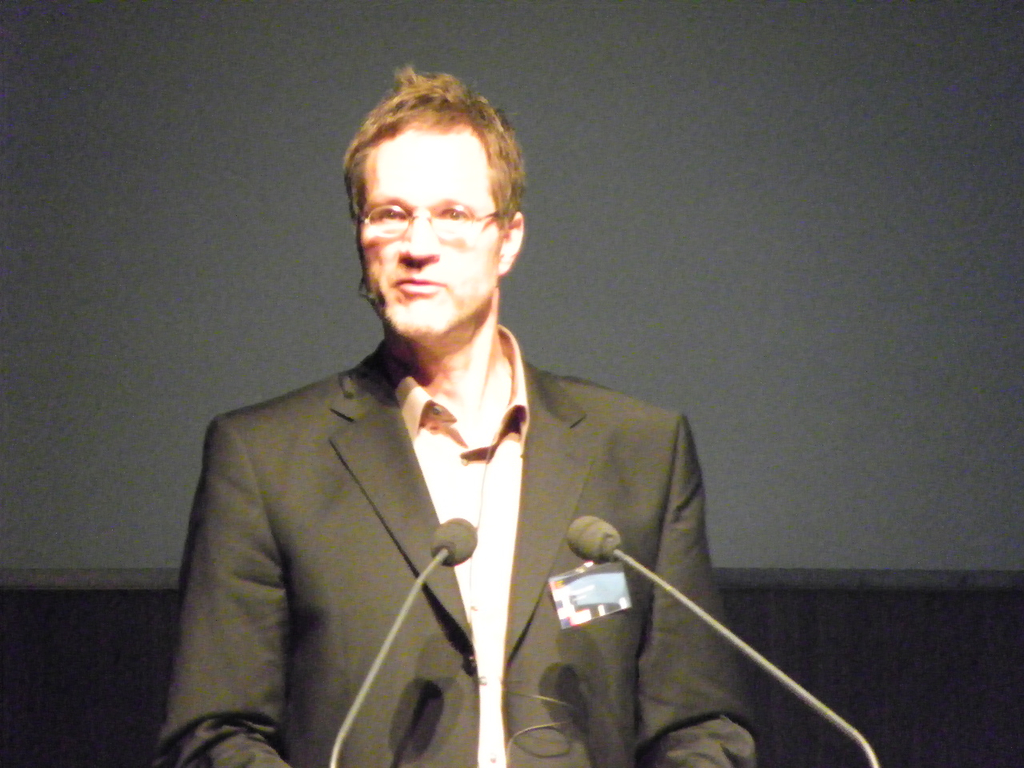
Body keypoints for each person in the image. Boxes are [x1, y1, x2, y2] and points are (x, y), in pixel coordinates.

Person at [155, 68, 756, 768]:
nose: (417, 245)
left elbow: (701, 727)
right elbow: (214, 735)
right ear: (361, 236)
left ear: (508, 240)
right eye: (389, 214)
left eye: (452, 214)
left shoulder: (641, 451)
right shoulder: (265, 460)